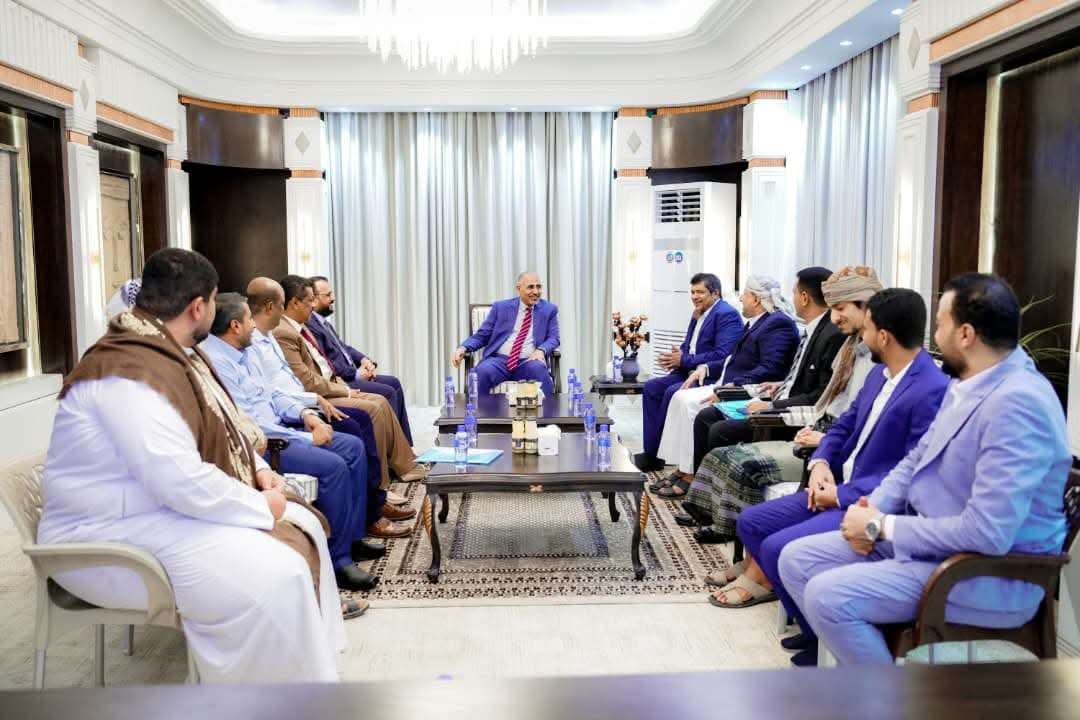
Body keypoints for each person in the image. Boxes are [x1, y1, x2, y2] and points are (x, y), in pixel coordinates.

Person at [37, 248, 345, 683]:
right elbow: (178, 478)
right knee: (278, 573)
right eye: (215, 301)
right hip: (102, 539)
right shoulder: (127, 372)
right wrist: (260, 506)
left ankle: (314, 677)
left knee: (302, 527)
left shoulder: (163, 351)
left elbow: (221, 429)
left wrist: (257, 470)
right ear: (199, 307)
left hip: (146, 512)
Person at [779, 273, 1071, 666]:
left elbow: (986, 533)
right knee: (795, 560)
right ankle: (866, 674)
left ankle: (892, 694)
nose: (933, 336)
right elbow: (916, 458)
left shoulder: (1018, 404)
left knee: (827, 597)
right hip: (927, 542)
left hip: (980, 574)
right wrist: (872, 509)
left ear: (965, 334)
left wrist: (879, 527)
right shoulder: (970, 380)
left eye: (940, 325)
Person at [717, 289, 950, 668]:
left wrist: (840, 497)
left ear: (883, 336)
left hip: (866, 501)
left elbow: (907, 472)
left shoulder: (931, 389)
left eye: (867, 329)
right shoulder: (878, 375)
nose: (862, 338)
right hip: (835, 483)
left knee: (779, 548)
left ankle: (823, 638)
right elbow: (842, 425)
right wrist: (822, 462)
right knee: (751, 522)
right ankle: (815, 628)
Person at [202, 293, 410, 587]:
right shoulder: (217, 363)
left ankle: (352, 538)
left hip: (283, 427)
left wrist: (305, 414)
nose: (254, 325)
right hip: (265, 445)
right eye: (249, 320)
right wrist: (305, 436)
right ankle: (338, 562)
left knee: (354, 446)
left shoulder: (245, 350)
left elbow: (273, 394)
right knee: (334, 467)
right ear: (235, 326)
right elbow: (248, 424)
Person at [678, 266, 884, 544]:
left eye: (839, 308)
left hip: (814, 436)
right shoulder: (851, 345)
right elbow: (837, 408)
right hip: (815, 430)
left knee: (723, 439)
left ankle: (724, 524)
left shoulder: (863, 354)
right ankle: (708, 509)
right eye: (833, 308)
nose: (834, 317)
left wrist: (782, 415)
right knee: (708, 422)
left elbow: (834, 409)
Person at [246, 277, 410, 510]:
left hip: (304, 402)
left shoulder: (271, 335)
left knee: (377, 402)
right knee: (361, 420)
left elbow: (283, 386)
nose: (314, 305)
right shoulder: (270, 337)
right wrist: (315, 402)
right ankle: (376, 500)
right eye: (310, 300)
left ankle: (384, 485)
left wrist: (310, 405)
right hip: (290, 416)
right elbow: (291, 387)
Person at [640, 274, 800, 491]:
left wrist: (731, 388)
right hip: (723, 380)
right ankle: (682, 468)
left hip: (745, 389)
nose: (740, 298)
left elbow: (770, 369)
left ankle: (691, 475)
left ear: (756, 299)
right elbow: (731, 358)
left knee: (686, 402)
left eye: (744, 294)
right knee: (678, 396)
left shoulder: (777, 323)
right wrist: (704, 368)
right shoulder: (757, 322)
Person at [274, 275, 426, 490]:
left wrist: (356, 370)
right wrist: (345, 389)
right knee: (374, 408)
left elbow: (337, 352)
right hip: (320, 394)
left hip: (332, 383)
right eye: (310, 301)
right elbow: (307, 380)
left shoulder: (300, 327)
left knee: (382, 401)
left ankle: (405, 465)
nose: (313, 306)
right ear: (294, 303)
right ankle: (381, 486)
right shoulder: (284, 332)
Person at [635, 273, 743, 472]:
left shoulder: (726, 314)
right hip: (687, 371)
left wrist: (684, 359)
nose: (694, 296)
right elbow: (689, 345)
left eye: (700, 292)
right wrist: (677, 358)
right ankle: (651, 453)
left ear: (715, 293)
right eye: (692, 292)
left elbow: (723, 354)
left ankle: (665, 455)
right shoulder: (699, 312)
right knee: (651, 387)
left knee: (672, 392)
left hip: (708, 376)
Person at [306, 275, 413, 445]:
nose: (333, 298)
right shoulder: (311, 326)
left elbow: (344, 348)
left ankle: (404, 445)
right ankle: (391, 448)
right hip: (344, 380)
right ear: (313, 299)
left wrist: (364, 360)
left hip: (352, 373)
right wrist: (356, 374)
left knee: (394, 382)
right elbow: (330, 363)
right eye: (328, 295)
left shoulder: (323, 323)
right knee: (387, 392)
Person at [451, 271, 560, 396]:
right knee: (481, 371)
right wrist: (463, 348)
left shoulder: (549, 310)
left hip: (529, 361)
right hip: (499, 361)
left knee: (539, 369)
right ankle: (477, 408)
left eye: (538, 287)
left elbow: (554, 338)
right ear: (518, 289)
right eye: (530, 287)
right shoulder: (501, 307)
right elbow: (482, 336)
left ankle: (548, 408)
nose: (536, 291)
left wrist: (541, 350)